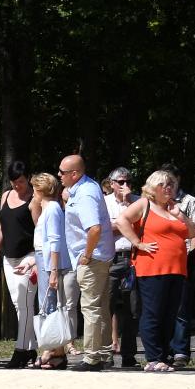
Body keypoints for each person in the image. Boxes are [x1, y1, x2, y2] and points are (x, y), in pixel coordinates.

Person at [115, 170, 195, 372]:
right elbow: (121, 220)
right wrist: (137, 243)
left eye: (171, 184)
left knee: (170, 314)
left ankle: (163, 355)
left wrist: (181, 216)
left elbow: (194, 232)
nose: (169, 188)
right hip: (152, 267)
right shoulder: (145, 204)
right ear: (154, 188)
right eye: (164, 185)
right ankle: (153, 357)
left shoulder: (174, 210)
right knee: (153, 312)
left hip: (177, 269)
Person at [59, 154, 116, 370]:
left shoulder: (85, 194)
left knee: (90, 307)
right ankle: (103, 353)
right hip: (100, 255)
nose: (59, 176)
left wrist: (86, 254)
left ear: (75, 174)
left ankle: (92, 357)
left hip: (93, 257)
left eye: (63, 172)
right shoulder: (85, 188)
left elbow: (94, 228)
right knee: (100, 306)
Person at [0, 161, 37, 368]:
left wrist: (36, 260)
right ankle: (31, 346)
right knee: (19, 304)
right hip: (9, 258)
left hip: (28, 256)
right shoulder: (7, 196)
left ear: (28, 179)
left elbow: (39, 230)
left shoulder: (35, 200)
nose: (18, 186)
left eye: (22, 182)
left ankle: (20, 350)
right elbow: (1, 227)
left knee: (25, 305)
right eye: (14, 182)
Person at [23, 173, 68, 369]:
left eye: (34, 189)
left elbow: (55, 241)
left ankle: (50, 350)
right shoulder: (48, 209)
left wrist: (53, 271)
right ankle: (56, 352)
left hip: (49, 261)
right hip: (43, 258)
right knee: (46, 301)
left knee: (49, 303)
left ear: (40, 190)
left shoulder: (52, 209)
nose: (33, 193)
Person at [162, 164, 195, 368]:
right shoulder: (155, 202)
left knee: (180, 308)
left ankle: (180, 351)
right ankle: (164, 349)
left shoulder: (189, 202)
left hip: (182, 259)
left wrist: (190, 260)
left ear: (178, 179)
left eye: (171, 180)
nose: (167, 185)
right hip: (161, 260)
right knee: (163, 306)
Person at [104, 168, 140, 368]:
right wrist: (127, 222)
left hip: (133, 259)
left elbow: (142, 227)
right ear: (111, 183)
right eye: (120, 182)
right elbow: (103, 228)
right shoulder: (104, 202)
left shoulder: (138, 201)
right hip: (111, 258)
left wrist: (124, 215)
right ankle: (106, 352)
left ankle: (129, 354)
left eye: (128, 181)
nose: (125, 186)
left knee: (132, 308)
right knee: (106, 306)